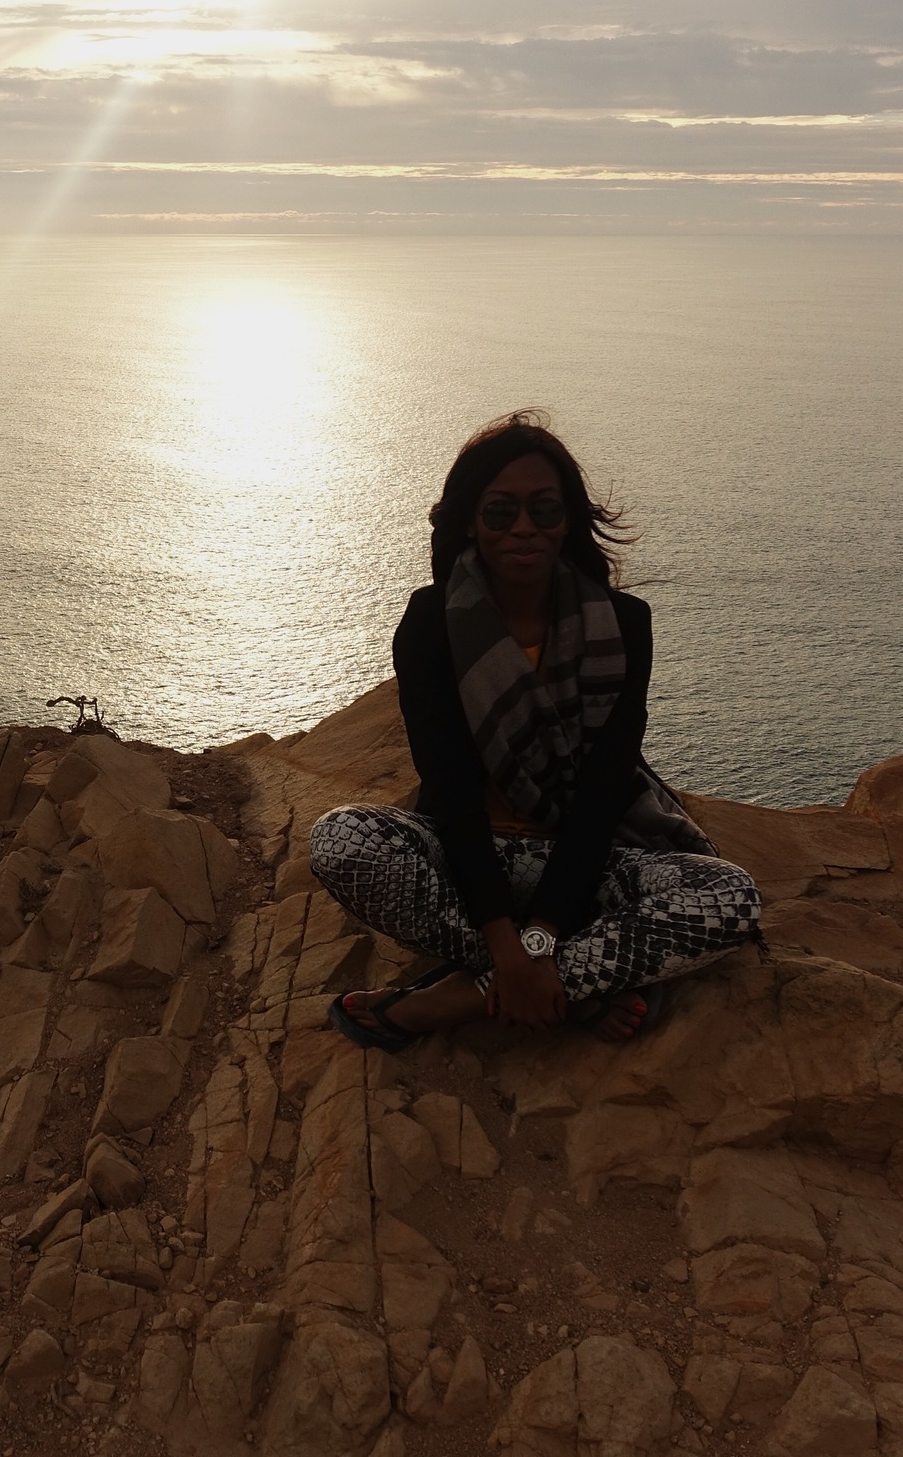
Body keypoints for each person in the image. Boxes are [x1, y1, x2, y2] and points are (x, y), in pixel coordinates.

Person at [309, 410, 762, 1050]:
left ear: (568, 521)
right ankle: (562, 992)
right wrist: (511, 948)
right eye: (500, 512)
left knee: (729, 894)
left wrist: (543, 937)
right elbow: (452, 792)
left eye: (544, 511)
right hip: (472, 860)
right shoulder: (432, 622)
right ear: (470, 520)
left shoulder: (623, 624)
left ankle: (463, 997)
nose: (523, 528)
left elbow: (605, 790)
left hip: (592, 862)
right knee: (342, 840)